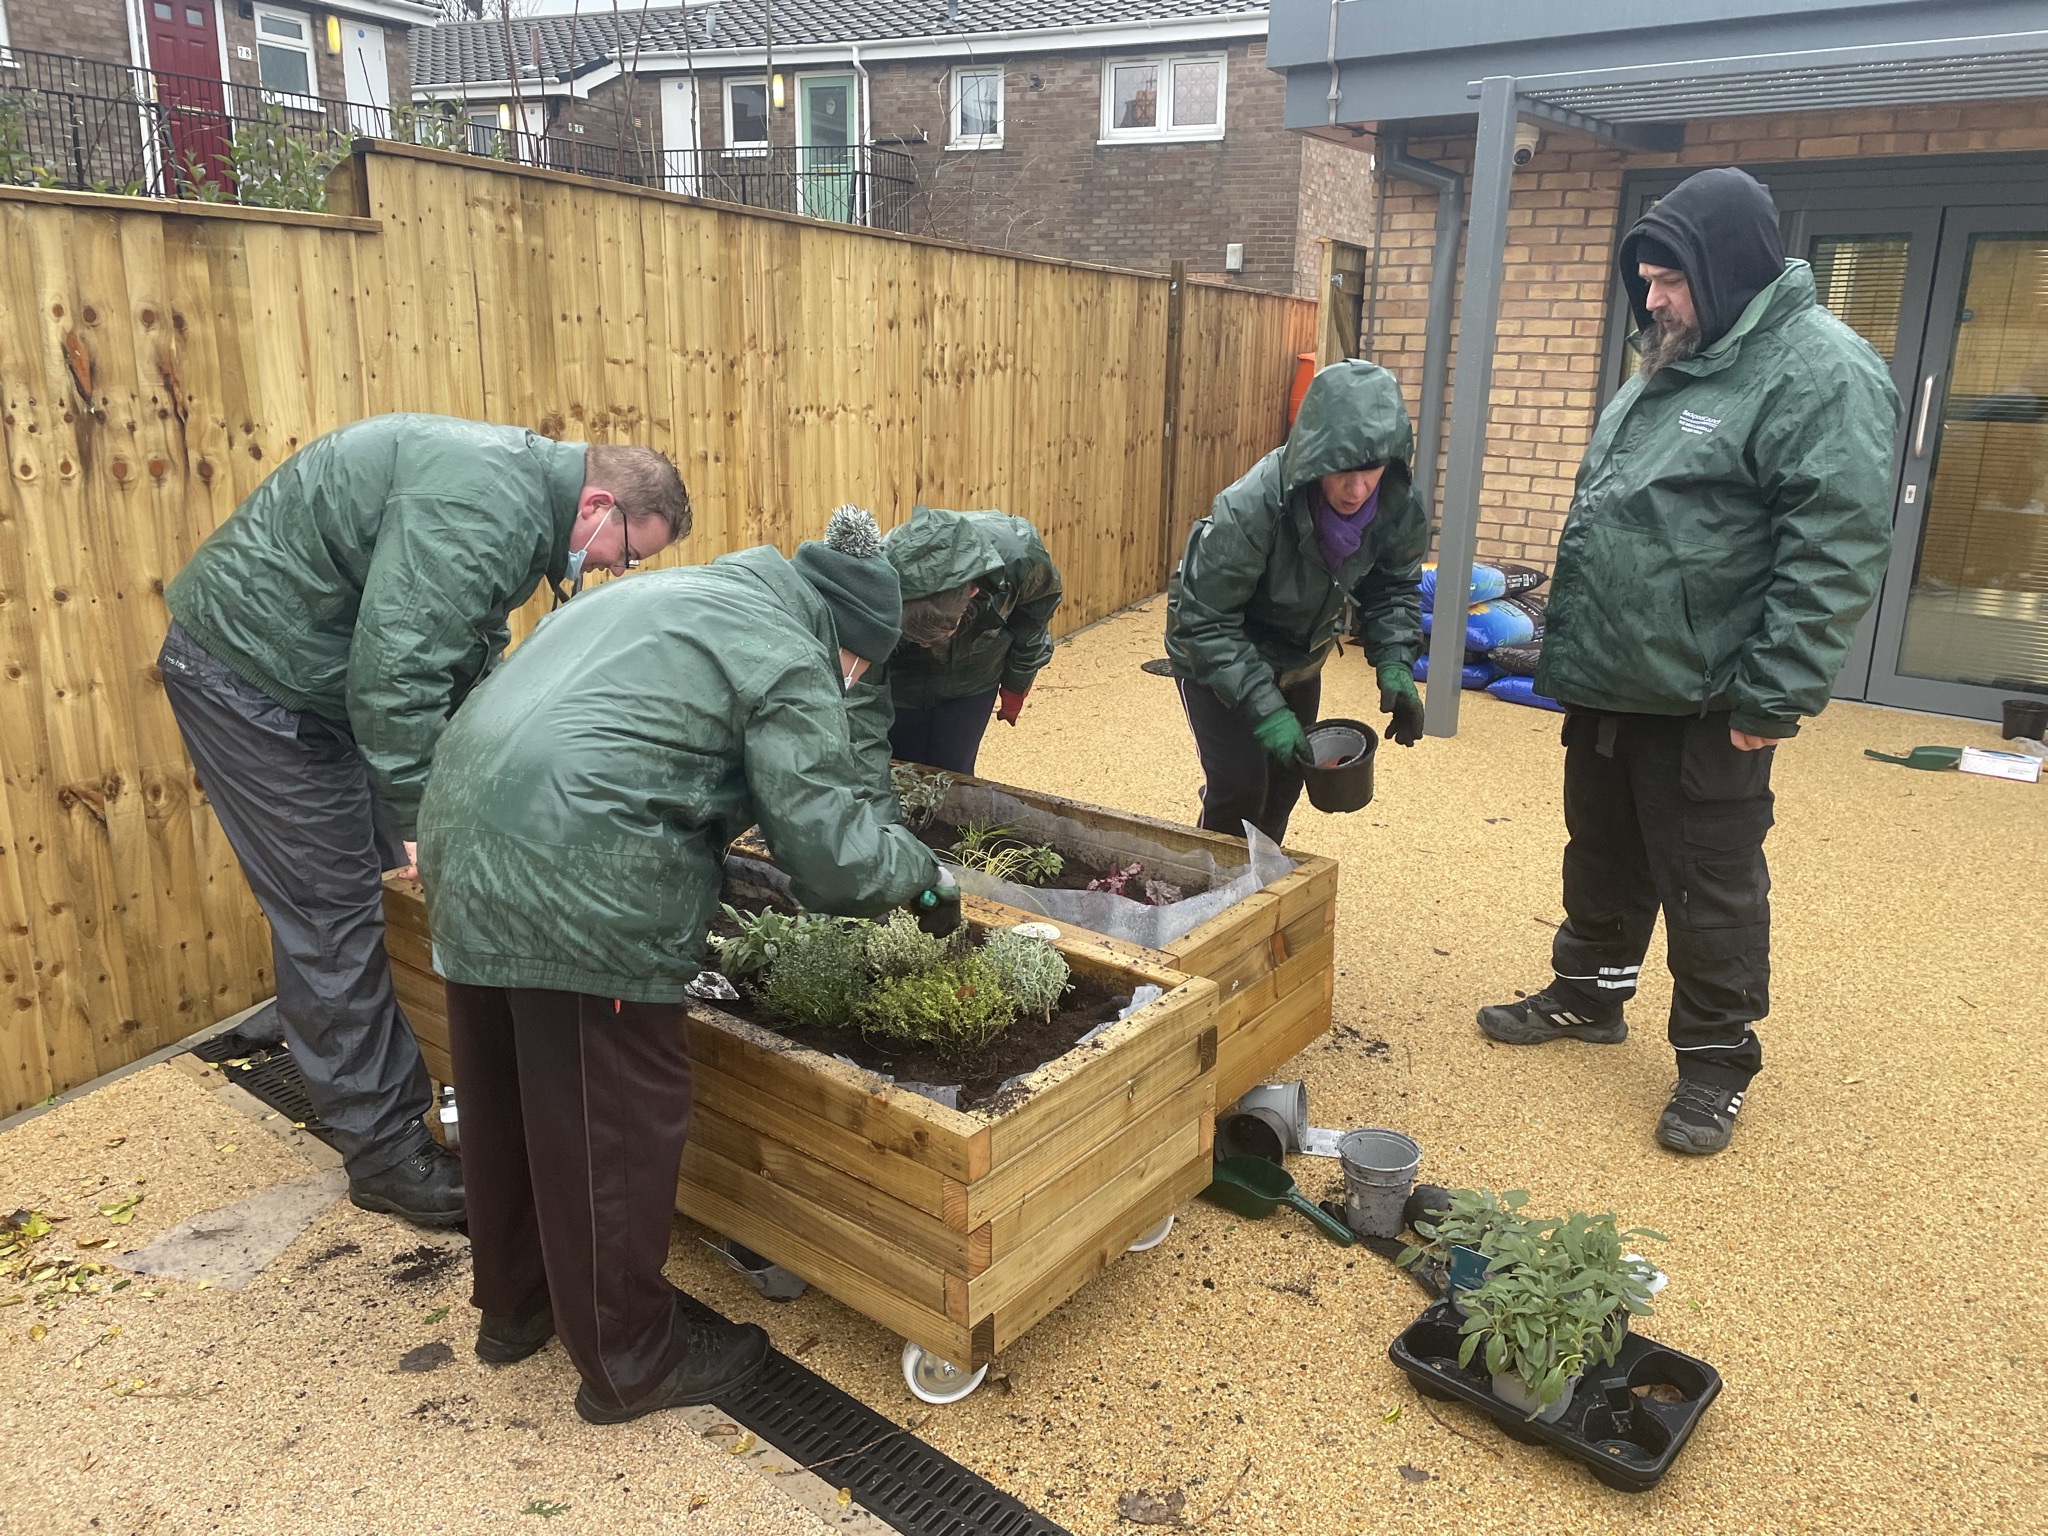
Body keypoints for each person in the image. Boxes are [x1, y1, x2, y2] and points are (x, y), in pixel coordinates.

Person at [414, 507, 951, 1423]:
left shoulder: (677, 592)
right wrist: (922, 876)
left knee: (505, 1093)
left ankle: (515, 1310)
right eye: (860, 669)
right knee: (611, 1120)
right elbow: (828, 854)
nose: (853, 682)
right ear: (851, 644)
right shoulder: (790, 652)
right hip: (583, 872)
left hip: (463, 836)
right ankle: (631, 1360)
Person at [158, 414, 689, 1226]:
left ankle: (322, 1016)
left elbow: (457, 647)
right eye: (630, 552)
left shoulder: (519, 503)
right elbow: (397, 674)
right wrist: (419, 812)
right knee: (330, 905)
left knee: (369, 881)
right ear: (598, 505)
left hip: (319, 669)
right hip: (250, 676)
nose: (618, 570)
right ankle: (382, 1151)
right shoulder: (486, 506)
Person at [1477, 167, 1900, 1157]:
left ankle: (1714, 1060)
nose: (1651, 299)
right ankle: (1589, 994)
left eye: (1668, 280)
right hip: (1616, 672)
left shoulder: (1817, 371)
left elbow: (1832, 548)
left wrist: (1773, 690)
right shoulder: (1679, 351)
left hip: (1710, 694)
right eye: (1647, 281)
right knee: (1602, 847)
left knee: (1707, 876)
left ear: (1728, 269)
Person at [1163, 360, 1427, 843]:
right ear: (1315, 457)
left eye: (1369, 471)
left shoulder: (1397, 505)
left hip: (1299, 657)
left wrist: (1396, 663)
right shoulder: (1253, 505)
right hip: (1217, 654)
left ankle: (1259, 895)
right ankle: (1207, 901)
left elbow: (1392, 586)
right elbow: (1204, 620)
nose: (1357, 489)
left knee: (1285, 784)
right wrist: (1267, 709)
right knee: (1241, 789)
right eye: (1342, 472)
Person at [846, 504, 1063, 786]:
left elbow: (1033, 620)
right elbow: (865, 695)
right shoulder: (876, 584)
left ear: (973, 592)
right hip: (902, 679)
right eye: (916, 639)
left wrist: (1016, 684)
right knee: (897, 769)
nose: (927, 646)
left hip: (975, 673)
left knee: (955, 772)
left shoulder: (1020, 556)